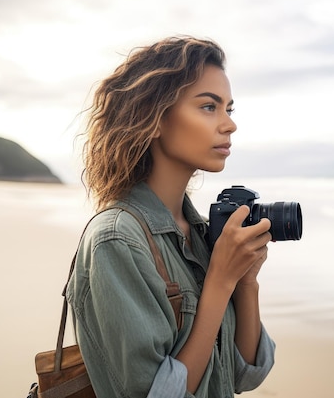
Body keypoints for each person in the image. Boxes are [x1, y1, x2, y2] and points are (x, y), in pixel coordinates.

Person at [66, 36, 276, 398]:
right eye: (209, 107)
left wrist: (245, 281)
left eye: (229, 108)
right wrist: (219, 282)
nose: (229, 124)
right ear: (155, 118)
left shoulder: (199, 233)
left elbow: (246, 374)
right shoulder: (117, 240)